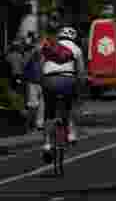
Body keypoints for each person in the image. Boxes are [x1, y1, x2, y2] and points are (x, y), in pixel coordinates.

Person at [40, 26, 85, 161]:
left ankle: (47, 144)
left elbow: (41, 65)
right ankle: (71, 132)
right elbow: (81, 72)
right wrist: (81, 88)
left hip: (50, 80)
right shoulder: (76, 49)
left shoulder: (50, 45)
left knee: (49, 112)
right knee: (69, 105)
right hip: (67, 80)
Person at [23, 39, 44, 131]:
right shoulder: (31, 59)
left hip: (42, 83)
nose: (39, 51)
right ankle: (30, 124)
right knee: (33, 105)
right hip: (33, 83)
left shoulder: (44, 59)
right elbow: (25, 67)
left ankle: (39, 124)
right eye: (37, 49)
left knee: (41, 106)